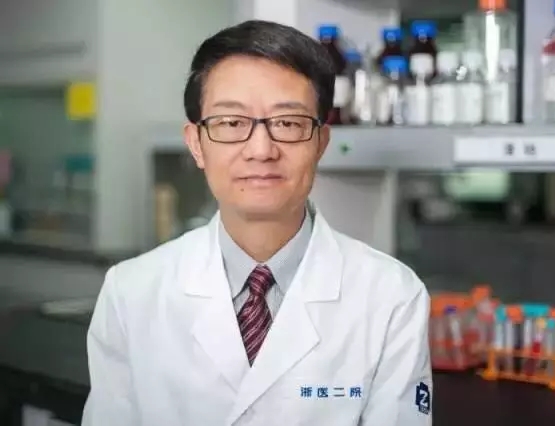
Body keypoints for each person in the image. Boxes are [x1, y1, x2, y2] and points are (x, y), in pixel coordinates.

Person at [82, 19, 432, 426]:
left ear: (320, 143)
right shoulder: (131, 292)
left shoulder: (392, 296)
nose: (261, 150)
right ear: (196, 144)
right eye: (232, 123)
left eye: (288, 123)